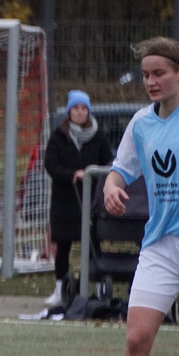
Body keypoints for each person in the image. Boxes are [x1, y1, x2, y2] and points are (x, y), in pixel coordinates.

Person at [101, 36, 179, 356]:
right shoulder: (141, 123)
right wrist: (111, 188)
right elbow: (120, 171)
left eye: (160, 73)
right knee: (136, 340)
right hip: (159, 245)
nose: (152, 81)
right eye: (146, 75)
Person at [42, 90, 114, 307]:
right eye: (76, 108)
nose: (80, 112)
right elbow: (51, 164)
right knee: (63, 246)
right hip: (65, 201)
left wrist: (96, 176)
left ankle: (99, 287)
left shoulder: (98, 136)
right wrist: (72, 174)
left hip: (90, 202)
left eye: (84, 109)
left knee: (93, 245)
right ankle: (59, 289)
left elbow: (108, 162)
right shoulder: (59, 136)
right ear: (69, 111)